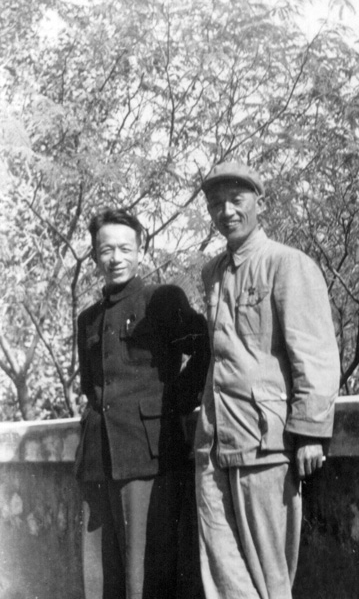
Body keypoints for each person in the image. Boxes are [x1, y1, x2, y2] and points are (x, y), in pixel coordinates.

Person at [195, 162, 340, 598]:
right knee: (222, 577)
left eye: (236, 200)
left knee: (270, 577)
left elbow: (314, 352)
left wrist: (310, 431)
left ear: (261, 203)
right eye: (216, 204)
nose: (226, 212)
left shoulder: (287, 264)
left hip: (264, 444)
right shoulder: (212, 273)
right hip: (213, 444)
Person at [75, 208, 209, 599]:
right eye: (106, 250)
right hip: (98, 461)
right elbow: (91, 387)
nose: (115, 258)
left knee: (147, 578)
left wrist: (174, 402)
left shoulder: (160, 300)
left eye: (125, 248)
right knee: (101, 580)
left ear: (141, 250)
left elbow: (205, 349)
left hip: (148, 457)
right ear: (95, 255)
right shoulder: (88, 319)